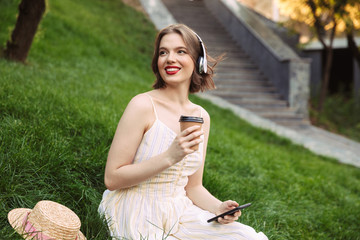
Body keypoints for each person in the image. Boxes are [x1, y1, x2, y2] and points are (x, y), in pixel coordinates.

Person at [98, 23, 268, 240]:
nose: (170, 58)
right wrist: (170, 156)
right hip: (136, 207)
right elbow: (112, 178)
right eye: (163, 52)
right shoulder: (142, 105)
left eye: (181, 51)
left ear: (198, 61)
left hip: (180, 211)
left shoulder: (201, 116)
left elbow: (194, 187)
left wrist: (218, 208)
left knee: (248, 238)